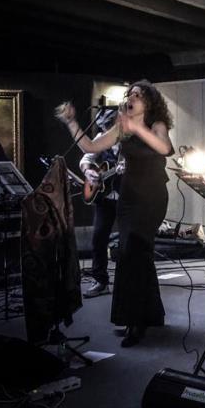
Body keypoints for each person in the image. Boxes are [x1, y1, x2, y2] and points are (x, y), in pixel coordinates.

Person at [56, 80, 175, 348]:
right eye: (129, 94)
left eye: (138, 95)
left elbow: (164, 149)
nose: (131, 97)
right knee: (134, 255)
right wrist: (71, 123)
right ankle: (147, 316)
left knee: (133, 252)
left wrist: (136, 127)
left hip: (152, 197)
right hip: (128, 197)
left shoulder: (156, 125)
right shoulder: (122, 127)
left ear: (149, 102)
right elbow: (90, 147)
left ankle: (136, 321)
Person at [79, 112, 124, 299]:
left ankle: (128, 283)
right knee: (98, 238)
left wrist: (128, 169)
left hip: (126, 196)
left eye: (108, 125)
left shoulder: (130, 138)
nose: (105, 130)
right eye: (103, 127)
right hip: (104, 197)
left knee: (128, 240)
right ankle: (100, 281)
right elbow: (85, 160)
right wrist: (88, 172)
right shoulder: (101, 138)